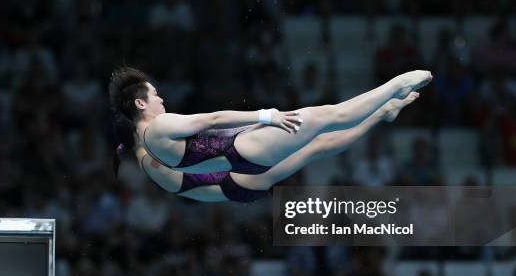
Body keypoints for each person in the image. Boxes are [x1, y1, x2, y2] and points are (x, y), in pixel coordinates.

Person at [109, 67, 429, 202]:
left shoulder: (149, 155)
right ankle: (394, 87)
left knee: (318, 142)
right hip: (244, 153)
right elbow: (213, 119)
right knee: (330, 115)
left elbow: (195, 177)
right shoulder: (159, 129)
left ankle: (381, 112)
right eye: (155, 95)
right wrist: (264, 115)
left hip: (242, 168)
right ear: (140, 103)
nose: (161, 99)